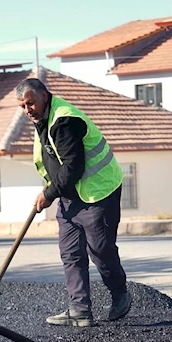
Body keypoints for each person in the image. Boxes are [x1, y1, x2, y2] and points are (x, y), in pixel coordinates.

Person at [15, 73, 131, 328]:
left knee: (100, 251)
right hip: (69, 196)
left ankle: (120, 293)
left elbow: (74, 166)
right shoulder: (43, 120)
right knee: (70, 253)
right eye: (22, 106)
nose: (27, 110)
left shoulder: (64, 120)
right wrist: (53, 189)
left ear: (44, 96)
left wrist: (48, 194)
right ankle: (79, 310)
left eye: (30, 103)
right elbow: (53, 162)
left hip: (98, 193)